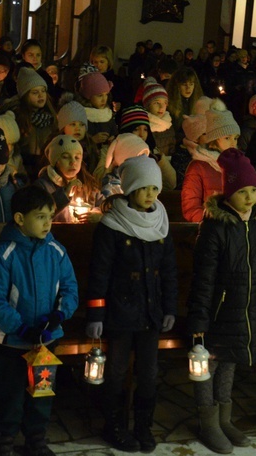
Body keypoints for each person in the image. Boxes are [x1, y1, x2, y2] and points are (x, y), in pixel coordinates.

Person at [187, 148, 256, 454]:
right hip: (218, 310)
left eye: (253, 190)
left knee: (229, 362)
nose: (250, 197)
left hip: (247, 307)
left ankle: (224, 418)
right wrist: (198, 322)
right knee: (209, 365)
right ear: (228, 192)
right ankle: (208, 421)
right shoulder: (215, 227)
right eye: (242, 191)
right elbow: (204, 279)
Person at [85, 156, 178, 453]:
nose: (151, 194)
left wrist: (170, 308)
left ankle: (142, 425)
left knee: (149, 372)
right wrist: (96, 313)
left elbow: (169, 272)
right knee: (116, 370)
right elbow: (99, 273)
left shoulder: (160, 224)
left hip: (151, 312)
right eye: (144, 188)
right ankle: (113, 424)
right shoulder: (113, 226)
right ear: (130, 189)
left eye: (155, 188)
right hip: (121, 312)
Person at [0, 185, 79, 456]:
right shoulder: (3, 255)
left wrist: (58, 316)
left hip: (47, 340)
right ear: (20, 219)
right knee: (11, 394)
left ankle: (36, 437)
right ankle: (5, 439)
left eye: (50, 215)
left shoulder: (56, 251)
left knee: (42, 392)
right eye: (40, 216)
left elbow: (70, 288)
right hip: (13, 341)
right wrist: (21, 328)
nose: (48, 222)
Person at [181, 107, 240, 222]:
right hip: (211, 230)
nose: (233, 143)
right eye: (227, 138)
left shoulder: (240, 165)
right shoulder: (198, 167)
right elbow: (190, 207)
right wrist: (213, 222)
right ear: (213, 141)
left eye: (236, 138)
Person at [34, 134, 100, 222]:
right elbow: (38, 215)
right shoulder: (43, 186)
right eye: (65, 157)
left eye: (77, 157)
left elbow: (104, 205)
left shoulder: (88, 183)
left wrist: (98, 214)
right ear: (55, 161)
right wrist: (64, 194)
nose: (73, 162)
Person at [77, 70, 117, 150]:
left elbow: (114, 130)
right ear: (88, 96)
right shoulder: (81, 115)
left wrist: (113, 137)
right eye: (99, 96)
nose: (104, 99)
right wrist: (92, 141)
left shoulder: (107, 113)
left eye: (106, 95)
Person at [167, 66, 204, 141]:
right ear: (177, 86)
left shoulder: (199, 103)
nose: (188, 88)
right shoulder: (169, 105)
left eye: (191, 84)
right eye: (184, 84)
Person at [141, 78, 175, 156]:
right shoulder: (143, 125)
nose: (161, 107)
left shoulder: (168, 123)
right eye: (157, 103)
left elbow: (172, 145)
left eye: (165, 103)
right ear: (147, 105)